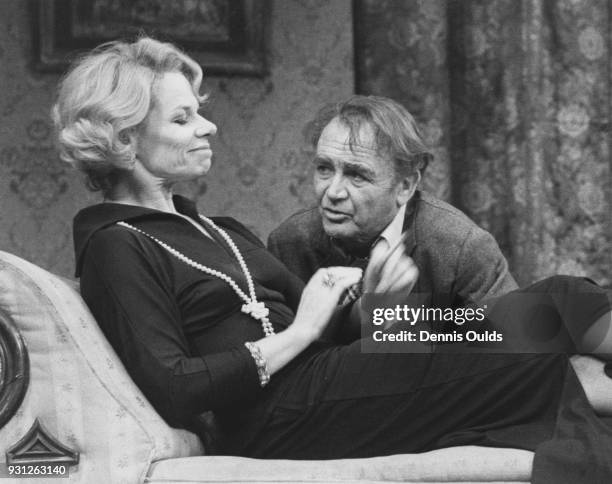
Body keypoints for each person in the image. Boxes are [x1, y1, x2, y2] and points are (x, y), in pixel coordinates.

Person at [53, 37, 612, 483]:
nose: (208, 125)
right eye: (182, 119)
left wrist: (373, 310)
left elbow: (334, 332)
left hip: (332, 375)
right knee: (515, 356)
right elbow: (176, 385)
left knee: (562, 300)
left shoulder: (216, 229)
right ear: (125, 140)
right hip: (283, 418)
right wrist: (303, 332)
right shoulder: (117, 245)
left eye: (199, 112)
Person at [268, 96, 517, 310]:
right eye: (324, 169)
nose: (332, 192)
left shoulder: (463, 248)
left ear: (405, 186)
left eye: (356, 175)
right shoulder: (289, 242)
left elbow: (515, 350)